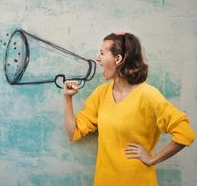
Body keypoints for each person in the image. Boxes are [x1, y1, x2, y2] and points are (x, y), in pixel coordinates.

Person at [63, 33, 195, 186]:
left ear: (118, 59)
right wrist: (67, 98)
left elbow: (185, 134)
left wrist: (152, 160)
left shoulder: (148, 95)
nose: (97, 58)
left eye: (102, 53)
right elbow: (73, 133)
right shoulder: (101, 93)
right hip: (104, 181)